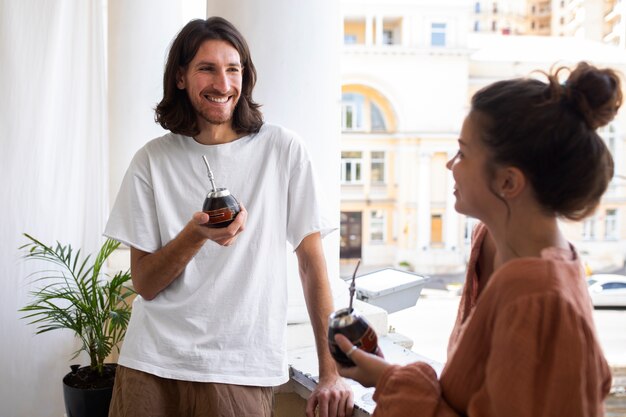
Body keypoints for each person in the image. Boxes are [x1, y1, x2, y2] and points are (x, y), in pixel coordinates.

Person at [334, 61, 622, 416]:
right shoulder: (491, 244)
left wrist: (393, 382)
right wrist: (388, 376)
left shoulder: (536, 297)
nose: (449, 164)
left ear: (508, 183)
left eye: (463, 153)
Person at [104, 16, 352, 417]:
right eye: (207, 69)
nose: (222, 84)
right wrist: (195, 235)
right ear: (181, 77)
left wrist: (330, 373)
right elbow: (145, 284)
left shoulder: (283, 150)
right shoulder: (151, 161)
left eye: (232, 69)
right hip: (150, 364)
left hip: (240, 367)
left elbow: (311, 265)